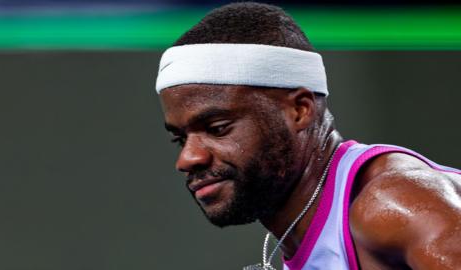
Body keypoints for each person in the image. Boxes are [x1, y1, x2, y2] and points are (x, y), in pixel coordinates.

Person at [155, 2, 461, 270]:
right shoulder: (303, 233)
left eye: (218, 128)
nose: (188, 158)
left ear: (299, 110)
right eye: (180, 139)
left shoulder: (392, 205)